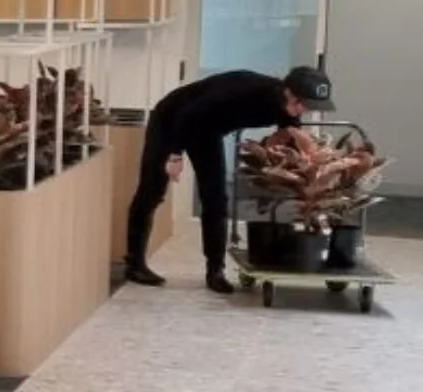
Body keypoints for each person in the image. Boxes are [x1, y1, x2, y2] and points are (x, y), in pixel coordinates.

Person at [124, 65, 332, 293]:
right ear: (288, 91)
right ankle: (134, 263)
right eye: (300, 103)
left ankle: (215, 271)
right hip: (172, 120)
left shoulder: (290, 112)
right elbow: (188, 115)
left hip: (209, 131)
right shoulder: (244, 89)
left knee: (216, 199)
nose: (301, 110)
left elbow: (292, 139)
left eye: (307, 106)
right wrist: (175, 155)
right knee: (152, 189)